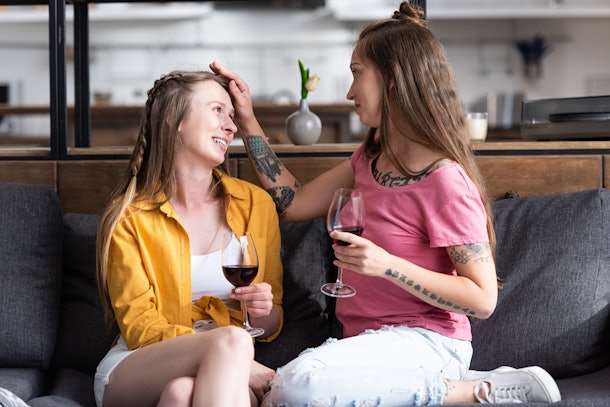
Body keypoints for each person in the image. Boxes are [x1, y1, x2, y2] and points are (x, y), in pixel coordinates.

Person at [210, 2, 562, 405]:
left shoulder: (445, 181)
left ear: (393, 78)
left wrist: (385, 265)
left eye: (357, 73)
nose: (349, 91)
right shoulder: (369, 161)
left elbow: (482, 300)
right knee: (283, 395)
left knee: (294, 386)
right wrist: (249, 120)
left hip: (429, 343)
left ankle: (479, 389)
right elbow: (291, 203)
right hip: (366, 345)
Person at [94, 70, 283, 407]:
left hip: (223, 368)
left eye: (231, 115)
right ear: (174, 118)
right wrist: (235, 356)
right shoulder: (130, 217)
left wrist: (262, 312)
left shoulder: (256, 205)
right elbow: (141, 329)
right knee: (234, 343)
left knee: (181, 394)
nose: (231, 126)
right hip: (138, 364)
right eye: (217, 110)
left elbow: (270, 321)